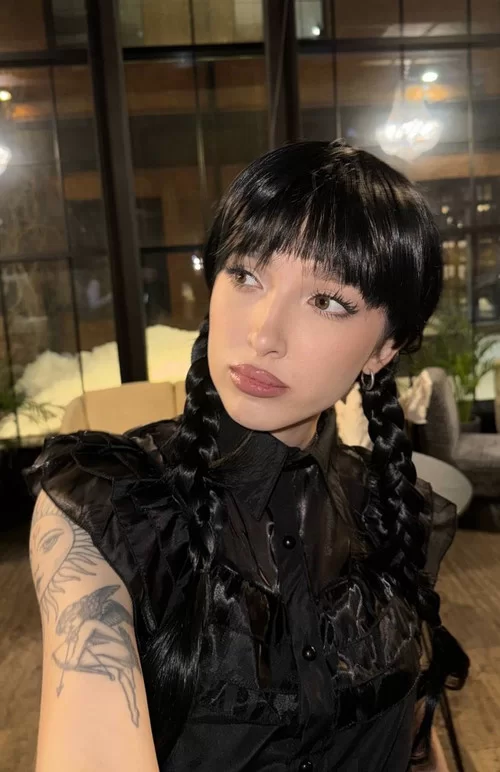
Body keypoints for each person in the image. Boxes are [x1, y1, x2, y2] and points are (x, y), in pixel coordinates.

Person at [27, 140, 469, 772]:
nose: (263, 334)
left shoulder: (393, 514)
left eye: (327, 301)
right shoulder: (107, 505)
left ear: (382, 350)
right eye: (246, 275)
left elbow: (413, 741)